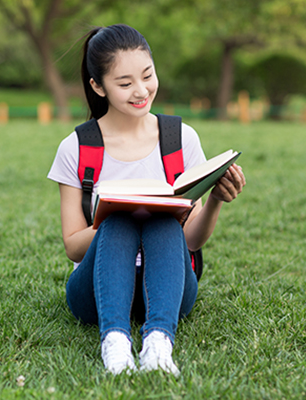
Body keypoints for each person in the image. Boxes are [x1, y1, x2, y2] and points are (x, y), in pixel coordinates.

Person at [46, 24, 247, 375]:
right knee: (123, 220)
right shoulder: (76, 147)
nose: (141, 91)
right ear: (98, 86)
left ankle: (158, 343)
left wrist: (215, 199)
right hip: (95, 291)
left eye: (147, 76)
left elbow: (192, 240)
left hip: (169, 288)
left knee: (162, 219)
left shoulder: (180, 139)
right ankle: (115, 343)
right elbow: (74, 247)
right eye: (125, 84)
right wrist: (118, 215)